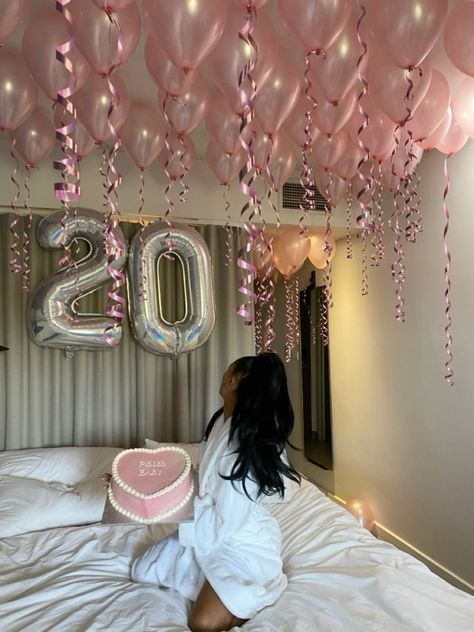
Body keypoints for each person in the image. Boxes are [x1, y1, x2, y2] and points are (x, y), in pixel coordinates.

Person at [131, 352, 301, 632]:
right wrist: (136, 481)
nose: (222, 377)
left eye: (227, 372)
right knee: (144, 568)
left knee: (202, 623)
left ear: (235, 381)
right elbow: (203, 478)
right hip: (214, 526)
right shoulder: (223, 423)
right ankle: (209, 580)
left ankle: (249, 599)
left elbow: (226, 520)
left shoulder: (240, 450)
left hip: (239, 540)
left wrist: (181, 509)